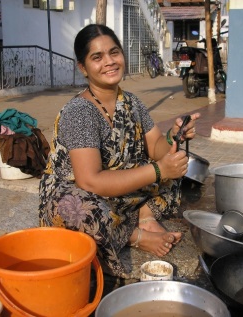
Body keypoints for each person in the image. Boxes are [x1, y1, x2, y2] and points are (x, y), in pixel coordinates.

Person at [38, 24, 200, 278]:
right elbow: (90, 180)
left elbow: (156, 146)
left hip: (118, 190)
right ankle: (135, 235)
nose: (109, 62)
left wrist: (173, 136)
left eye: (114, 52)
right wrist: (158, 170)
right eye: (97, 57)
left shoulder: (132, 102)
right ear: (83, 67)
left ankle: (143, 215)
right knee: (83, 212)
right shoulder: (80, 112)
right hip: (81, 192)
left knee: (177, 172)